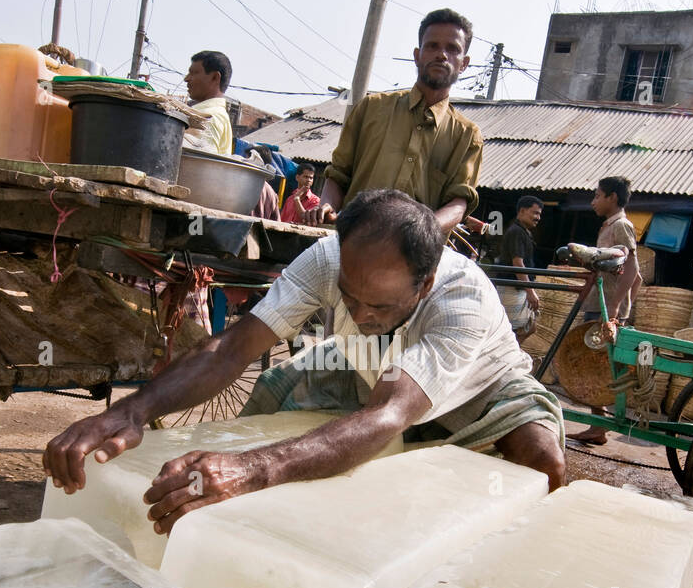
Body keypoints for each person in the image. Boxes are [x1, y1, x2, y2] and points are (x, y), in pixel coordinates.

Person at [44, 189, 569, 530]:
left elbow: (387, 416)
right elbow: (231, 350)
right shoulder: (324, 258)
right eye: (349, 296)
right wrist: (128, 412)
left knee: (544, 464)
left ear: (424, 283)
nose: (360, 312)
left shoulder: (462, 297)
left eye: (380, 305)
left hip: (481, 390)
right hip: (367, 371)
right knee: (283, 391)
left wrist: (253, 468)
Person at [304, 9, 483, 238]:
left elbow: (459, 204)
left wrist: (421, 232)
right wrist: (328, 205)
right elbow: (338, 175)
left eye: (452, 49)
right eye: (432, 46)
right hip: (352, 245)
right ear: (417, 55)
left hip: (415, 260)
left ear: (464, 63)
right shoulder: (370, 108)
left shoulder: (467, 136)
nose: (441, 55)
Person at [566, 176, 642, 446]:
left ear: (612, 197)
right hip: (599, 303)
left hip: (605, 306)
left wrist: (614, 306)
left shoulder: (621, 225)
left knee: (596, 365)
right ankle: (597, 423)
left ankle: (598, 426)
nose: (593, 201)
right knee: (595, 363)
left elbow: (632, 269)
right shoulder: (610, 226)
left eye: (597, 195)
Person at [492, 195, 543, 341]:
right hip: (511, 289)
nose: (538, 218)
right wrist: (530, 291)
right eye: (535, 213)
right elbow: (518, 263)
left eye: (539, 214)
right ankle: (504, 359)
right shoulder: (516, 232)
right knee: (512, 331)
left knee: (529, 327)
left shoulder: (524, 232)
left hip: (518, 289)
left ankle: (509, 358)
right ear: (521, 211)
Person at [182, 50, 233, 156]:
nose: (186, 79)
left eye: (193, 73)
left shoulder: (208, 116)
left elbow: (198, 164)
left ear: (215, 77)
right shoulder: (213, 114)